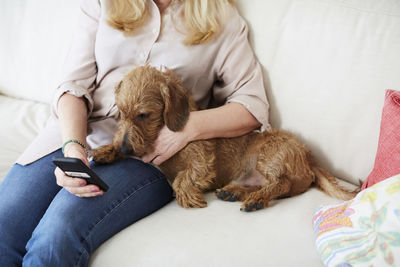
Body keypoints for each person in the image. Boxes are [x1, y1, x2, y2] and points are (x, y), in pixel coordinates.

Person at [0, 0, 270, 266]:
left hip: (150, 157)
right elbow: (73, 84)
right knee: (3, 228)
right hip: (75, 132)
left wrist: (186, 129)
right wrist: (73, 146)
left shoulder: (220, 16)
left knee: (55, 236)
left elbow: (251, 104)